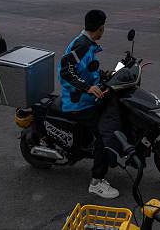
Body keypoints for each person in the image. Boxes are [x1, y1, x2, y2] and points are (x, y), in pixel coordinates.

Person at [58, 10, 122, 199]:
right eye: (104, 27)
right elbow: (66, 71)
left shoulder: (87, 43)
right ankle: (96, 181)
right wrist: (87, 87)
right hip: (78, 102)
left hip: (86, 96)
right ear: (100, 28)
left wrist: (104, 76)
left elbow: (86, 69)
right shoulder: (82, 45)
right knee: (104, 134)